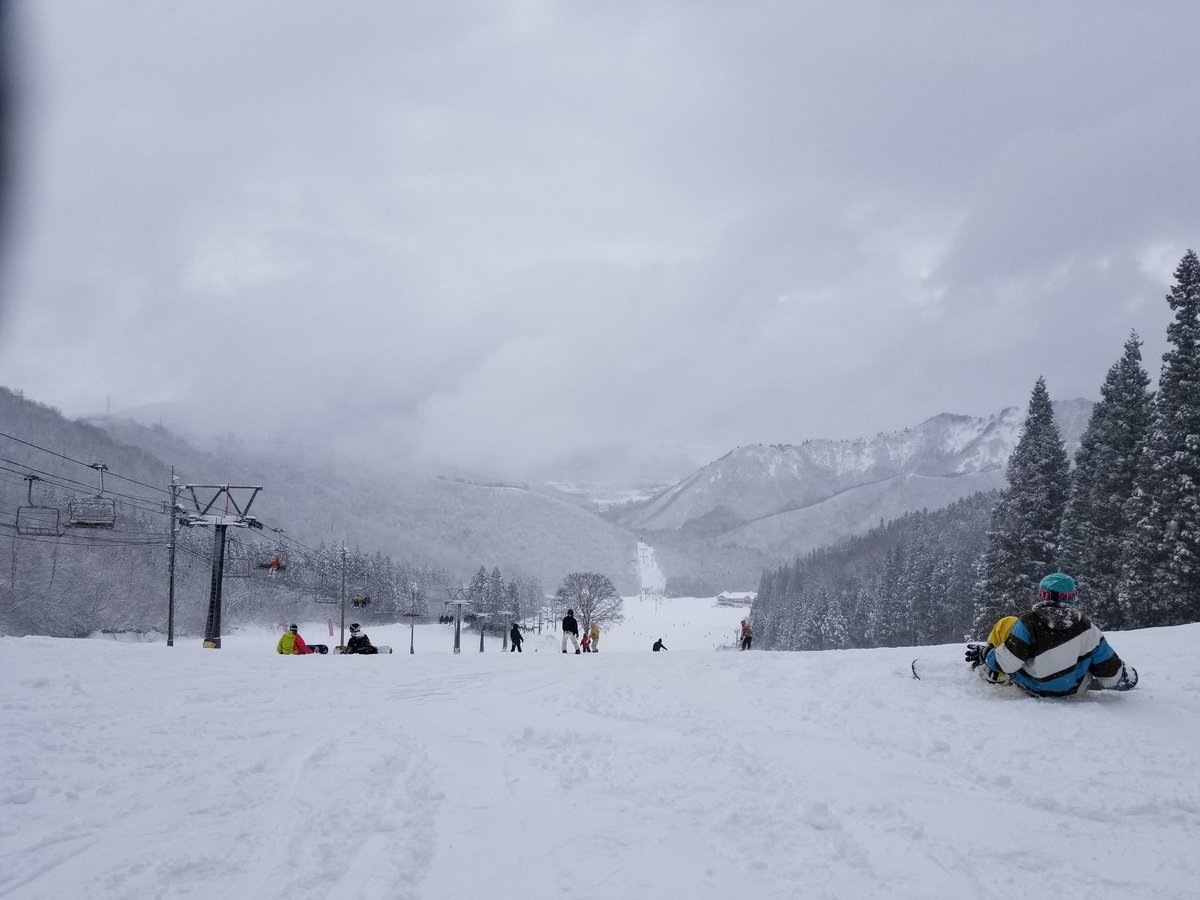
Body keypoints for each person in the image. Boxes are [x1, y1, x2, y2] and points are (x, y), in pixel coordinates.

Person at [966, 572, 1136, 697]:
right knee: (1088, 653)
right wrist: (1122, 677)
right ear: (1071, 597)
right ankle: (1068, 676)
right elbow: (1110, 673)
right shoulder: (1087, 628)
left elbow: (1008, 663)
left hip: (1031, 686)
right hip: (1070, 689)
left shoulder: (1028, 623)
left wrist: (986, 654)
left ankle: (993, 673)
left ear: (1042, 595)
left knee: (1006, 623)